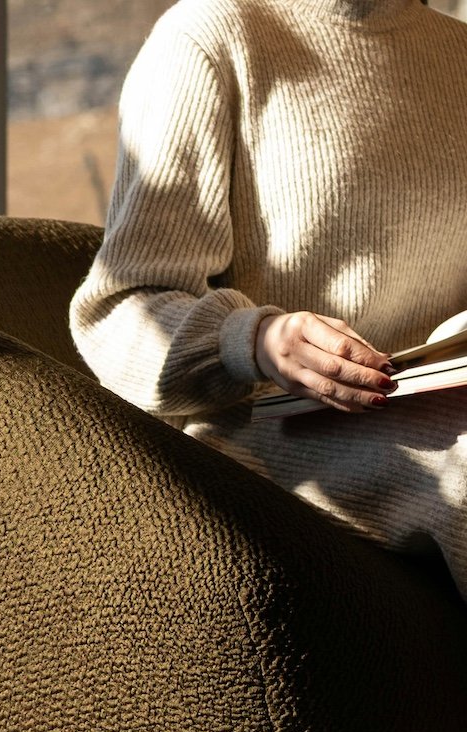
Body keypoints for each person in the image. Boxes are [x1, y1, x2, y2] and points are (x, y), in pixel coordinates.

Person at [70, 0, 467, 595]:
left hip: (438, 406)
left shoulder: (456, 53)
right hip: (266, 428)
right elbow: (119, 309)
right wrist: (252, 340)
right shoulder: (207, 40)